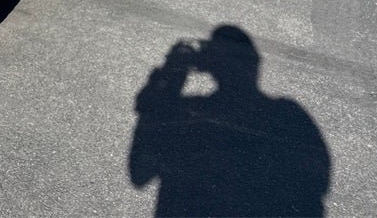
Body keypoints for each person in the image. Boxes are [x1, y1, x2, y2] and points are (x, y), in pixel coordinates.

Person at [129, 25, 331, 217]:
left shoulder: (186, 114)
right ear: (255, 65)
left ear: (209, 67)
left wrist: (170, 79)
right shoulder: (288, 115)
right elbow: (316, 183)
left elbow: (140, 171)